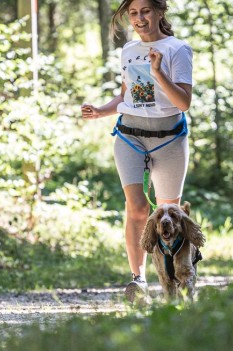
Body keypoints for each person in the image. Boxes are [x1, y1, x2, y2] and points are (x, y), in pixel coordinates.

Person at [81, 0, 193, 302]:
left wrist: (158, 72)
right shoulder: (128, 50)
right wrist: (101, 111)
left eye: (145, 11)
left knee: (169, 214)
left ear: (159, 12)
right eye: (133, 13)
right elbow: (126, 96)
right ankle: (138, 280)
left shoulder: (177, 49)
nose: (140, 18)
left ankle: (176, 276)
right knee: (138, 207)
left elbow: (183, 103)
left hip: (169, 139)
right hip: (130, 135)